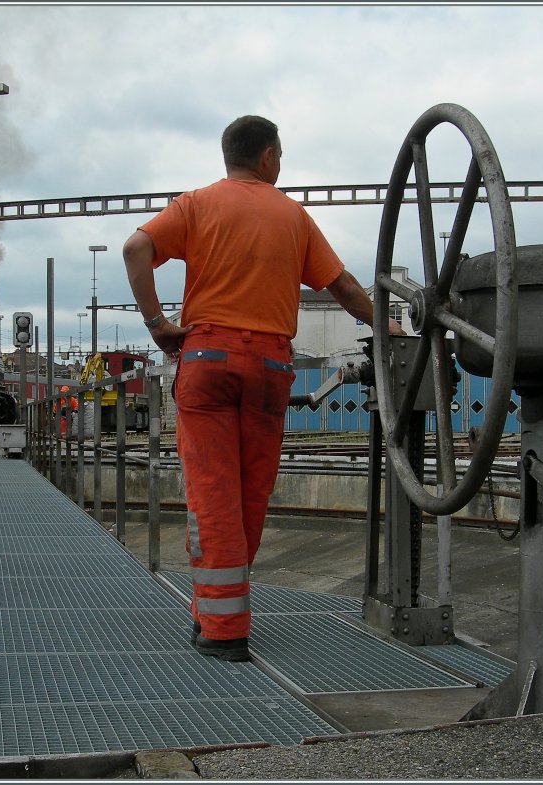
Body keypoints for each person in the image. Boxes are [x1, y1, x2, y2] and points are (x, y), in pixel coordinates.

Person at [122, 114, 404, 662]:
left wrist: (157, 324)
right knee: (250, 495)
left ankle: (223, 626)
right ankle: (216, 607)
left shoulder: (196, 205)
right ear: (269, 156)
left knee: (213, 494)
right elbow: (344, 286)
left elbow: (135, 249)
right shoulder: (293, 216)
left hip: (207, 359)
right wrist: (386, 324)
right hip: (272, 367)